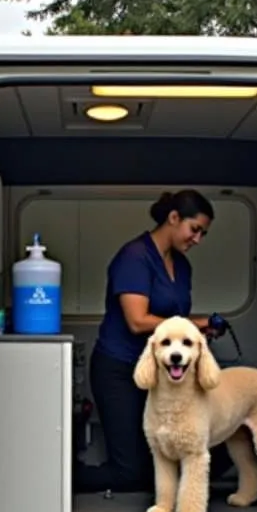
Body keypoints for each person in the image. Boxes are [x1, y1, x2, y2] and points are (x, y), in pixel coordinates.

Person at [75, 189, 217, 495]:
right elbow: (138, 321)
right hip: (119, 370)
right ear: (174, 218)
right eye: (195, 230)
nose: (198, 240)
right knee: (129, 473)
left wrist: (202, 330)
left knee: (166, 456)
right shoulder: (134, 258)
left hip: (160, 374)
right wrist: (196, 325)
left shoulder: (182, 266)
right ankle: (60, 476)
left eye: (203, 234)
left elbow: (175, 327)